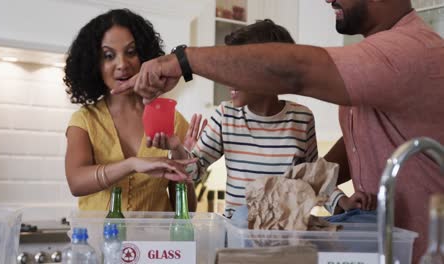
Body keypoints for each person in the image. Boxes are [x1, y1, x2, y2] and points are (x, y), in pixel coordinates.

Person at [112, 0, 444, 262]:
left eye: (244, 70)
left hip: (417, 250)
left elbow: (295, 72)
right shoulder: (227, 117)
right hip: (372, 242)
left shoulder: (405, 52)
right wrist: (179, 153)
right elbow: (326, 166)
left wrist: (181, 61)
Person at [147, 19, 375, 220]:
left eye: (238, 70)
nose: (227, 79)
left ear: (269, 74)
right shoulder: (226, 117)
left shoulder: (301, 118)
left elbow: (313, 177)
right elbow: (192, 171)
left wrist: (342, 202)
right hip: (238, 235)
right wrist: (176, 148)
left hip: (284, 233)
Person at [63, 9, 197, 213]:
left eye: (131, 52)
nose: (122, 64)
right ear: (95, 64)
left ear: (145, 56)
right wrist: (132, 164)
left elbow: (187, 210)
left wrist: (180, 159)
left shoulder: (173, 120)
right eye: (109, 55)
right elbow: (76, 182)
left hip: (155, 244)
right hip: (100, 243)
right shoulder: (85, 120)